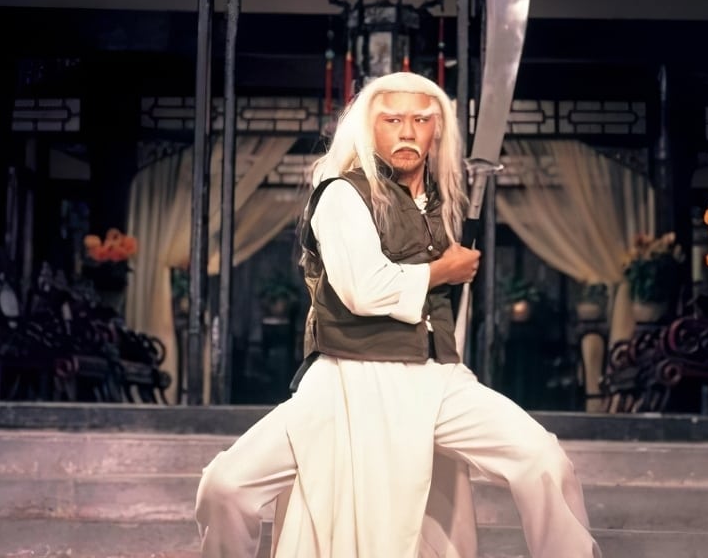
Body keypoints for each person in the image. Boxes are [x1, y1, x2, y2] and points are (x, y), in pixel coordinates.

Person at [194, 71, 601, 558]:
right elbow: (363, 290)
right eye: (392, 120)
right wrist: (443, 270)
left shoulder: (444, 203)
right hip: (346, 376)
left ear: (437, 129)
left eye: (420, 120)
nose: (407, 132)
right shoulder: (342, 195)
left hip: (434, 379)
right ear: (369, 128)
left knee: (542, 459)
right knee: (225, 484)